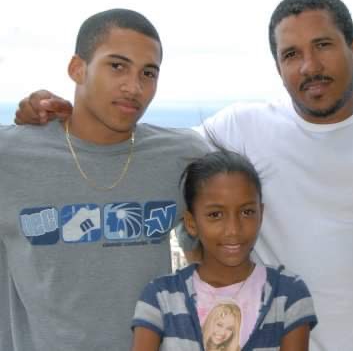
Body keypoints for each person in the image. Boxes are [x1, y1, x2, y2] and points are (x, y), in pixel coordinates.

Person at [13, 0, 353, 351]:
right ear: (277, 66)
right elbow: (146, 152)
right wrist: (47, 121)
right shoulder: (242, 129)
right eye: (291, 54)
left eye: (323, 46)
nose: (309, 66)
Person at [0, 9, 208, 350]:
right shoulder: (10, 156)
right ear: (77, 69)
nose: (134, 87)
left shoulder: (184, 155)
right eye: (117, 66)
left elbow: (216, 243)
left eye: (148, 73)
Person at [131, 149, 317, 350]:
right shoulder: (161, 297)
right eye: (215, 215)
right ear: (191, 223)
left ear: (260, 214)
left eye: (247, 212)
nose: (233, 229)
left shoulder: (288, 294)